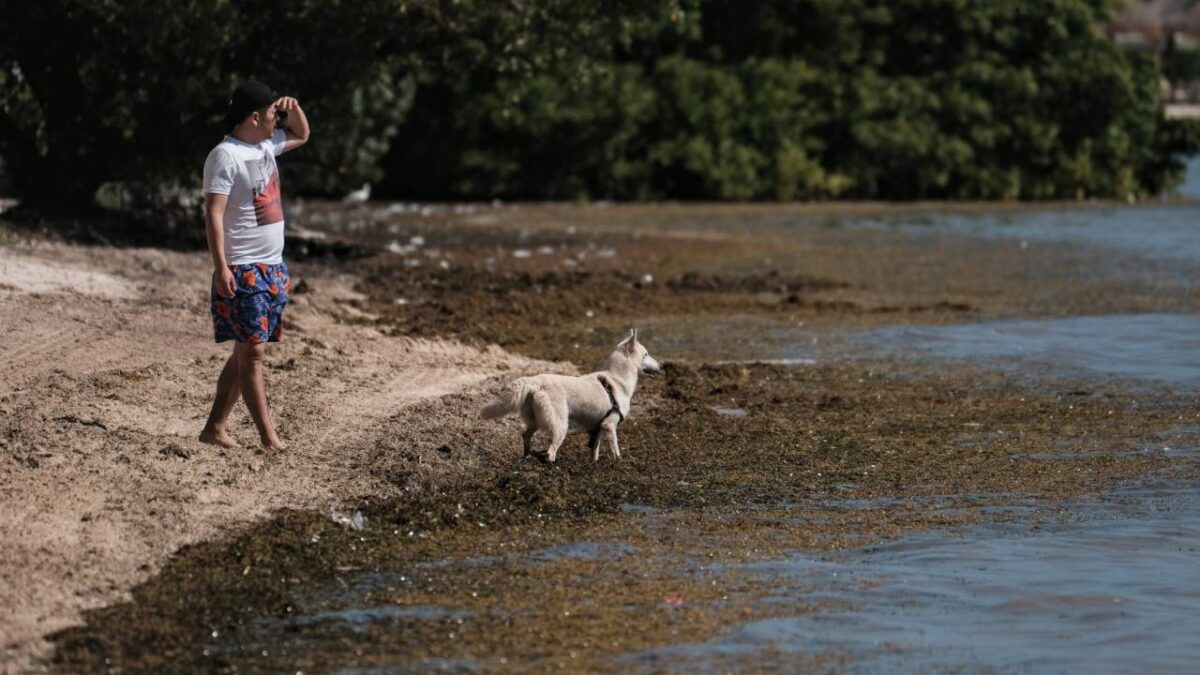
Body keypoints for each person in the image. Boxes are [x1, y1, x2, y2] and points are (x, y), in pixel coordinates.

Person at [198, 81, 309, 452]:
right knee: (254, 353)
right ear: (254, 116)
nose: (279, 120)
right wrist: (222, 266)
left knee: (245, 351)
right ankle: (269, 437)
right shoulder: (224, 156)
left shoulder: (265, 145)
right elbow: (213, 214)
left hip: (273, 266)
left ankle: (214, 428)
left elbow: (302, 134)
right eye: (274, 114)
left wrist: (293, 107)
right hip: (244, 268)